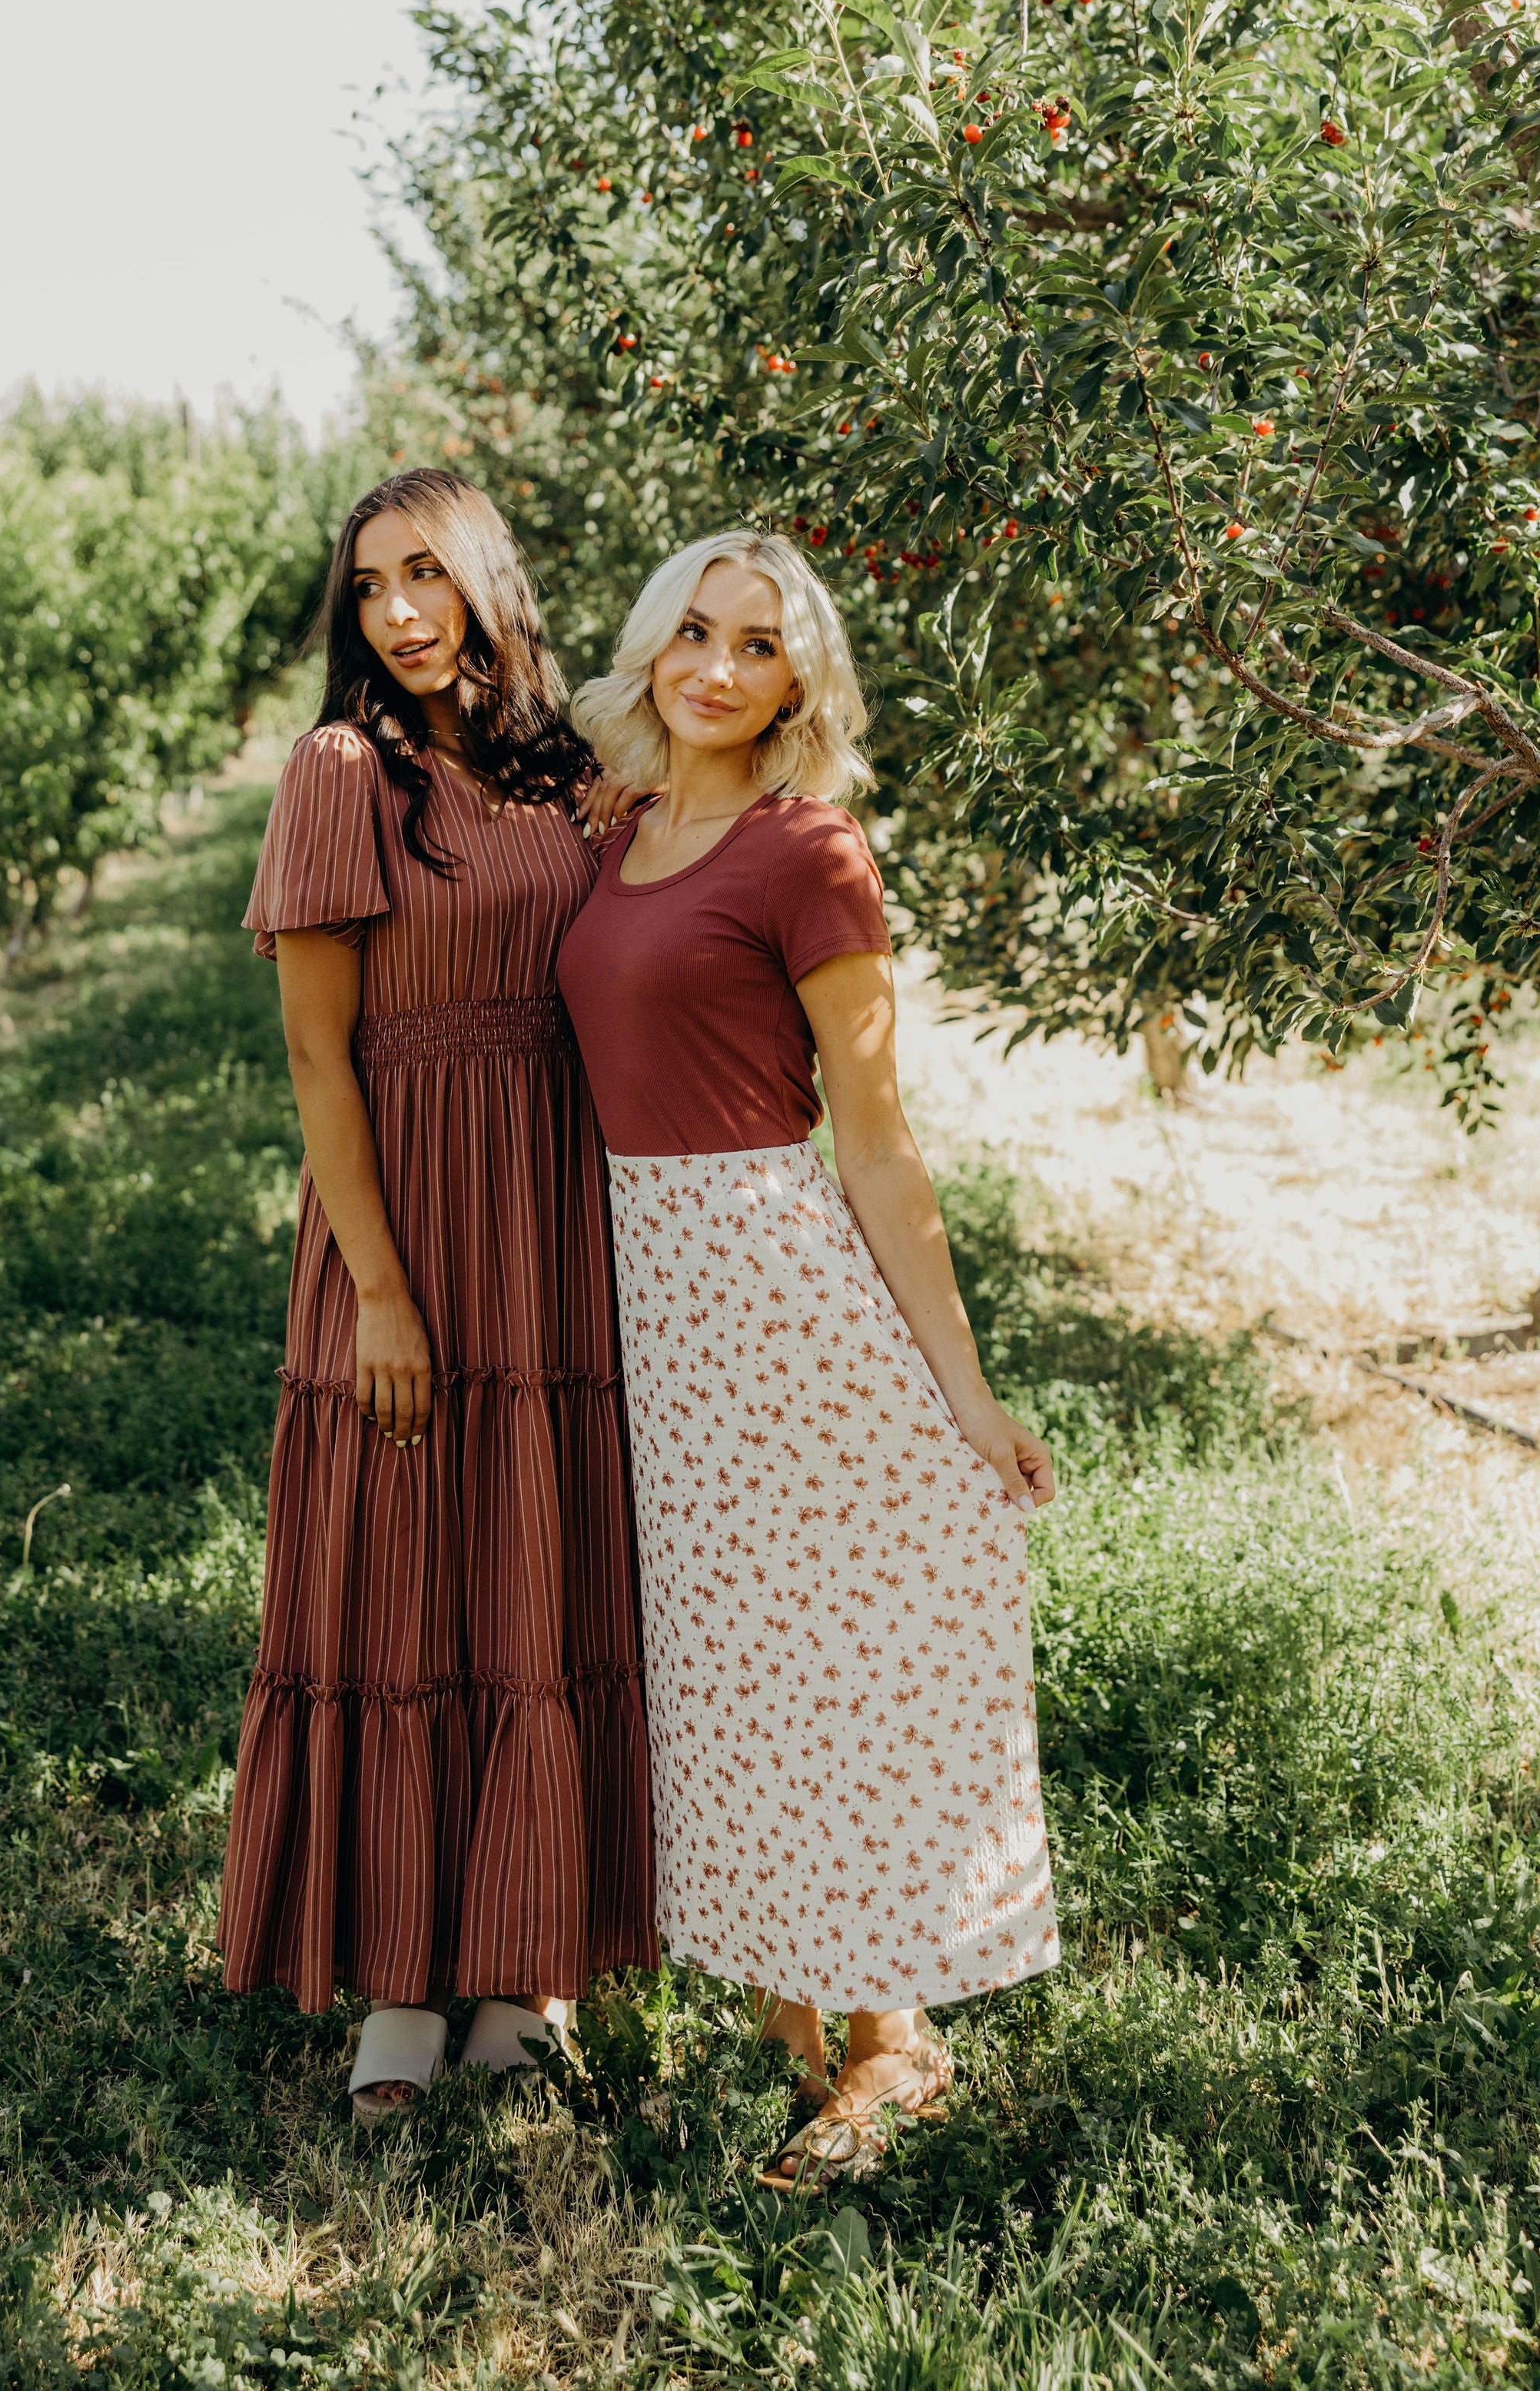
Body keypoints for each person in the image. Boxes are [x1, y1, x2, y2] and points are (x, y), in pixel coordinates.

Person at [556, 529, 1060, 2191]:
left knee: (834, 1648)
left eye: (757, 646)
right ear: (652, 646)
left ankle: (892, 2041)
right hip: (651, 1297)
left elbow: (881, 1146)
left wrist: (963, 1396)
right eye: (693, 631)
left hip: (775, 1293)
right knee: (729, 1659)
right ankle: (798, 1994)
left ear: (798, 679)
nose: (715, 665)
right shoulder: (620, 829)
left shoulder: (809, 853)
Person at [216, 467, 655, 2117]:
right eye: (370, 588)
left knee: (536, 1576)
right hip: (403, 1219)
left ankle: (528, 1966)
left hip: (554, 1222)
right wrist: (382, 1296)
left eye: (424, 577)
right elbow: (320, 1061)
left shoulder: (574, 778)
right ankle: (401, 1979)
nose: (398, 614)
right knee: (397, 1584)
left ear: (484, 582)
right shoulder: (344, 771)